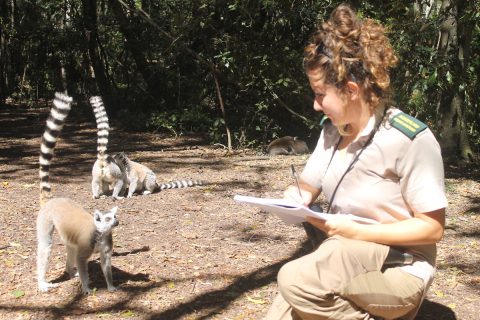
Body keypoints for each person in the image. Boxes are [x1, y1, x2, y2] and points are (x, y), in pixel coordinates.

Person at [265, 4, 447, 320]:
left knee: (295, 281)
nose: (315, 105)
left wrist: (354, 231)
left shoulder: (409, 139)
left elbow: (432, 229)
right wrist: (297, 199)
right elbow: (306, 187)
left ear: (350, 90)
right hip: (342, 251)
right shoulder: (331, 133)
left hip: (400, 263)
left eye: (320, 94)